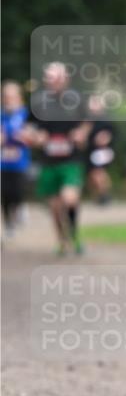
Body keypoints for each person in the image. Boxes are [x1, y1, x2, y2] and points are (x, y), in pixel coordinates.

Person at [27, 62, 91, 255]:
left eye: (57, 78)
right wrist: (36, 137)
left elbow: (87, 121)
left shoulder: (76, 99)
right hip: (48, 161)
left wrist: (82, 133)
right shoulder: (38, 102)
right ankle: (62, 240)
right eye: (50, 78)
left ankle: (74, 234)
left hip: (71, 159)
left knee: (70, 199)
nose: (53, 81)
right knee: (55, 207)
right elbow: (28, 126)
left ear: (66, 79)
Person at [1, 81, 31, 238]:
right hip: (3, 161)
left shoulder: (25, 114)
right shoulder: (1, 115)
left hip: (20, 161)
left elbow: (32, 135)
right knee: (5, 193)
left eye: (12, 96)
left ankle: (20, 206)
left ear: (19, 97)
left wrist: (25, 136)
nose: (9, 99)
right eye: (6, 96)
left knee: (17, 190)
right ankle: (8, 224)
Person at [86, 95, 116, 205]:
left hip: (101, 152)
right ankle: (99, 196)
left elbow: (111, 135)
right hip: (91, 151)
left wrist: (105, 138)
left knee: (99, 173)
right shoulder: (88, 120)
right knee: (93, 176)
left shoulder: (104, 120)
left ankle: (105, 196)